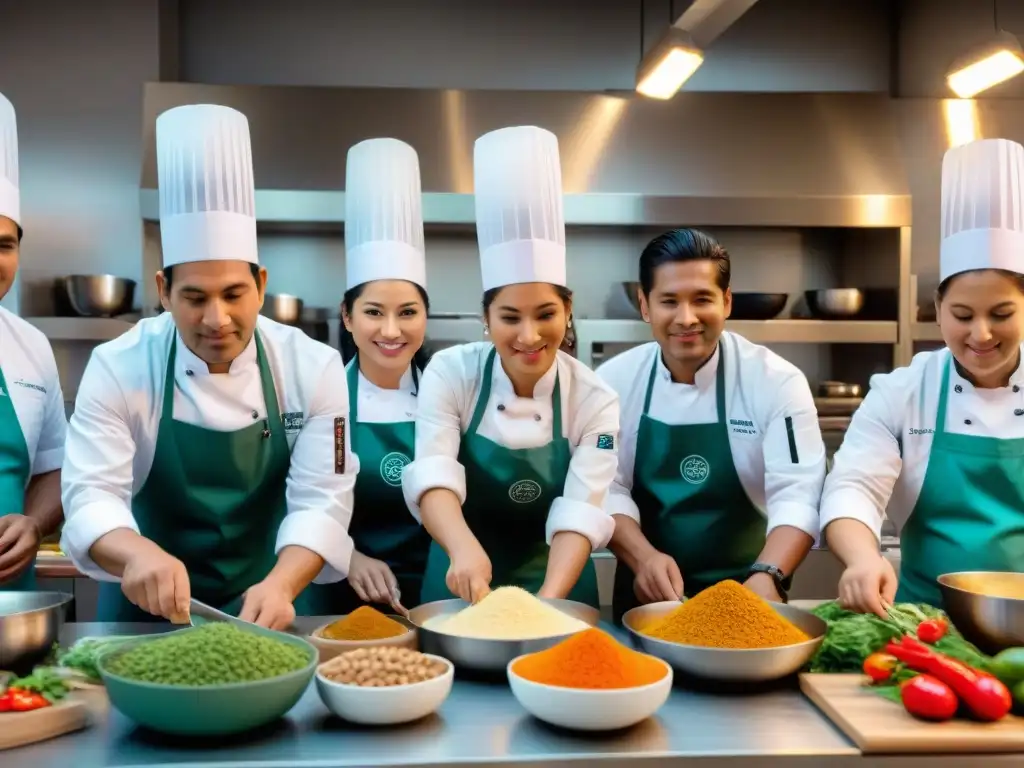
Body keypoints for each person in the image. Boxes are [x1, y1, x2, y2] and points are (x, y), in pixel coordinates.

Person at [59, 104, 358, 628]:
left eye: (234, 294)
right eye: (194, 297)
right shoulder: (118, 365)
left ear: (261, 285)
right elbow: (90, 494)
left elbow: (322, 500)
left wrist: (283, 583)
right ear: (162, 292)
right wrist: (134, 553)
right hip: (143, 615)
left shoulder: (313, 366)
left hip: (273, 604)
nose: (216, 319)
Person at [401, 125, 619, 607]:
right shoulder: (452, 372)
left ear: (568, 309)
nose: (528, 336)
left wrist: (544, 605)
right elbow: (433, 471)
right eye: (509, 317)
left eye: (545, 315)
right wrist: (462, 548)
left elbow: (582, 507)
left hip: (559, 583)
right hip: (460, 580)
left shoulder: (593, 397)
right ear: (485, 318)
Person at [821, 137, 1024, 615]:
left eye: (1001, 313)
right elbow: (852, 486)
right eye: (961, 313)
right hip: (923, 625)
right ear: (937, 310)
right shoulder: (903, 391)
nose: (981, 333)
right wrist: (862, 557)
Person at [596, 228, 826, 622]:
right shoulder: (612, 382)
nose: (686, 318)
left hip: (751, 594)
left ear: (727, 301)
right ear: (645, 305)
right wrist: (643, 557)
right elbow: (604, 485)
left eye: (702, 299)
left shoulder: (776, 381)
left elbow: (799, 493)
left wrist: (768, 573)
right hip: (647, 599)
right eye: (669, 301)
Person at [310, 137, 432, 615]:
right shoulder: (323, 394)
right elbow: (298, 501)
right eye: (374, 312)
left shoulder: (448, 397)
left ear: (426, 315)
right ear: (347, 316)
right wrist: (348, 556)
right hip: (337, 593)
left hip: (432, 595)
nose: (391, 330)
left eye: (407, 312)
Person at [0, 92, 68, 590]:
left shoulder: (30, 345)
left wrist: (33, 523)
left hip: (10, 603)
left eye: (3, 245)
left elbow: (55, 470)